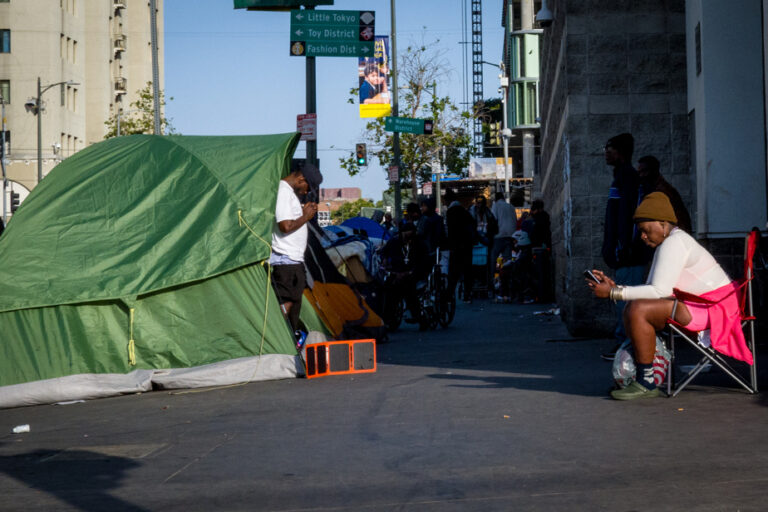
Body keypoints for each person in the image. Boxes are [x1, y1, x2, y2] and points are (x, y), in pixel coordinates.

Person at [587, 192, 753, 400]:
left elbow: (659, 292)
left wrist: (614, 293)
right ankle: (640, 375)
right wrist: (615, 286)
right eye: (641, 232)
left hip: (714, 309)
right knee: (636, 307)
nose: (643, 236)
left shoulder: (675, 243)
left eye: (646, 230)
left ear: (663, 223)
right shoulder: (670, 242)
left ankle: (646, 382)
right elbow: (652, 288)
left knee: (638, 310)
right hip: (707, 304)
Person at [601, 133, 650, 360]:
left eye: (609, 149)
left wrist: (624, 245)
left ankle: (628, 345)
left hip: (628, 253)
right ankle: (625, 342)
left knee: (627, 300)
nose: (605, 154)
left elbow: (630, 215)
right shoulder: (621, 176)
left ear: (620, 152)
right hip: (622, 251)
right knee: (622, 298)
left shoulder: (628, 177)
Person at [270, 167, 317, 332]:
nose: (306, 192)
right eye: (307, 188)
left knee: (293, 304)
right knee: (286, 302)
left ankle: (288, 342)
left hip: (292, 260)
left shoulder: (289, 193)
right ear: (301, 179)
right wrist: (305, 216)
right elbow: (285, 225)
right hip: (286, 260)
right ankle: (277, 337)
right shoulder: (283, 192)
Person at [379, 222, 431, 329]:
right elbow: (384, 252)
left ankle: (416, 316)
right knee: (387, 288)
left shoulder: (419, 243)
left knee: (406, 288)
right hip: (397, 272)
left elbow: (424, 262)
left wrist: (410, 272)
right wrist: (384, 259)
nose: (407, 239)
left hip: (413, 273)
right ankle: (389, 316)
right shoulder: (394, 242)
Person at [637, 155, 692, 234]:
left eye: (644, 171)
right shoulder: (651, 189)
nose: (641, 175)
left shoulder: (663, 192)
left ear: (654, 171)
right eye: (639, 172)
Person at [445, 189, 477, 303]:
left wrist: (451, 245)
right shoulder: (465, 211)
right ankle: (468, 294)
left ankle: (449, 295)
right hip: (467, 245)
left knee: (453, 272)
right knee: (468, 270)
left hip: (456, 246)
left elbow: (451, 231)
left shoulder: (450, 212)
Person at [490, 192, 518, 265]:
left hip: (499, 235)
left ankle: (492, 275)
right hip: (510, 236)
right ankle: (507, 275)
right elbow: (515, 220)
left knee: (493, 257)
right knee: (507, 259)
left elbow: (493, 219)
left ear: (496, 199)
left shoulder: (495, 206)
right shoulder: (511, 206)